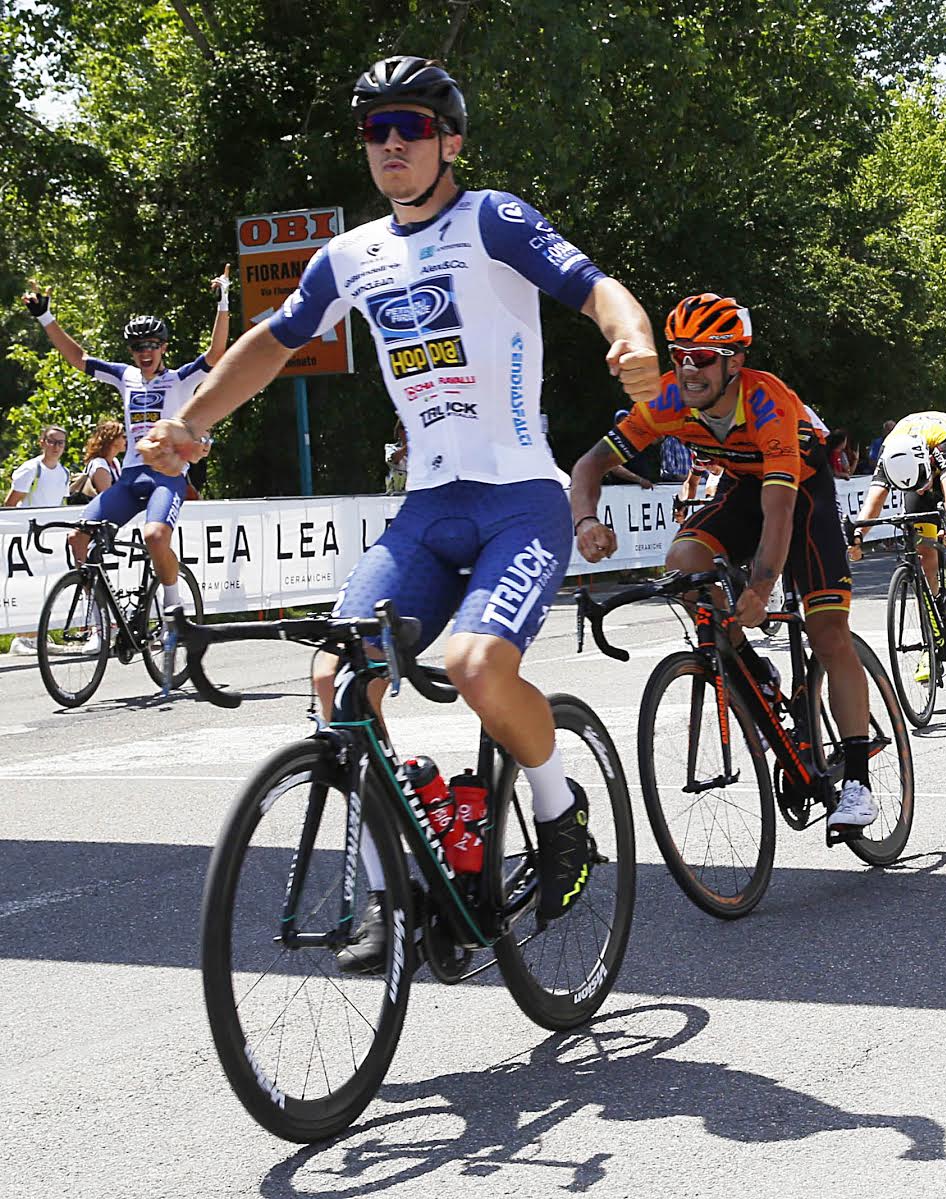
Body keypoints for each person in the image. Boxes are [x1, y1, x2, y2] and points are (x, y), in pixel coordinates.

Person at [137, 54, 662, 965]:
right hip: (424, 507)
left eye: (410, 127)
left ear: (448, 140)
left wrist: (634, 337)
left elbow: (595, 286)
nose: (390, 144)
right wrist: (188, 421)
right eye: (374, 129)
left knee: (473, 664)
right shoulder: (352, 254)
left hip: (517, 502)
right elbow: (271, 341)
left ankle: (559, 811)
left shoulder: (490, 217)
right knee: (339, 687)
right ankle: (392, 891)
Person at [569, 292, 877, 831]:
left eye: (704, 356)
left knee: (828, 631)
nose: (689, 368)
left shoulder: (768, 403)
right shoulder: (668, 400)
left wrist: (760, 588)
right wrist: (586, 522)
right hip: (740, 487)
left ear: (735, 361)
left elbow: (778, 512)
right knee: (684, 564)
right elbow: (589, 464)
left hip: (801, 495)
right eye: (679, 354)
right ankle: (753, 675)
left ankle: (856, 781)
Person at [22, 271, 230, 611]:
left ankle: (174, 608)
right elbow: (79, 359)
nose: (144, 352)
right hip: (130, 478)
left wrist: (223, 300)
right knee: (77, 537)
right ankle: (103, 617)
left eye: (151, 346)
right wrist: (46, 317)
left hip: (166, 477)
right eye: (137, 347)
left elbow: (216, 352)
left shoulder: (179, 380)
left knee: (154, 536)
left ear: (163, 348)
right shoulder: (125, 376)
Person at [850, 409, 946, 648]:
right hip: (914, 463)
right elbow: (873, 502)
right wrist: (857, 536)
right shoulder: (889, 454)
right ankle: (933, 637)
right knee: (924, 558)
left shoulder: (941, 444)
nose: (923, 489)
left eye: (923, 483)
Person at [4, 426, 71, 508]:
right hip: (28, 520)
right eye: (51, 441)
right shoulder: (30, 469)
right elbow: (10, 504)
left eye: (60, 442)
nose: (56, 447)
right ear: (42, 443)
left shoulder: (65, 473)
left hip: (52, 520)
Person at [77, 419, 126, 502]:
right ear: (113, 439)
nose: (126, 440)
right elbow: (108, 499)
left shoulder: (115, 462)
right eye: (123, 437)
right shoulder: (100, 465)